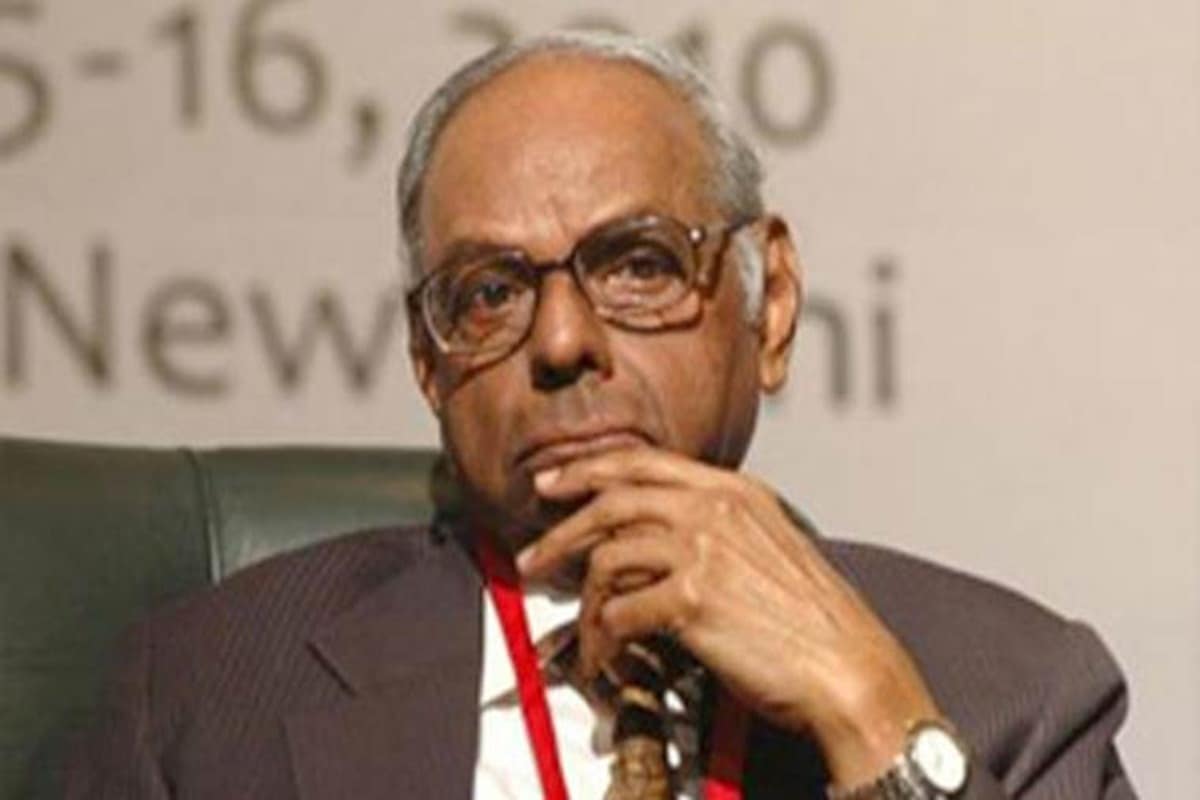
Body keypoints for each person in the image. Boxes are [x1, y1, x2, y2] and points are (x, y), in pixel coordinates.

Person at [65, 31, 1135, 799]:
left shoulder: (1015, 689)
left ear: (771, 307)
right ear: (427, 361)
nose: (562, 340)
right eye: (490, 291)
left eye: (637, 264)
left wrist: (875, 722)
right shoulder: (206, 699)